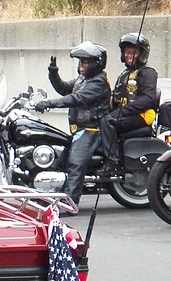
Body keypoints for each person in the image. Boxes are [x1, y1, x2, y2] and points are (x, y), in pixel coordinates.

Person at [28, 42, 110, 211]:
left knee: (75, 164)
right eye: (80, 62)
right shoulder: (84, 79)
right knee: (59, 163)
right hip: (79, 130)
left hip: (91, 131)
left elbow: (75, 98)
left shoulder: (98, 83)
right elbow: (65, 89)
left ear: (97, 63)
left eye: (85, 62)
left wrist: (48, 103)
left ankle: (70, 205)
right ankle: (48, 196)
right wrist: (53, 73)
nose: (81, 65)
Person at [98, 32, 160, 171]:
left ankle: (111, 162)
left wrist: (122, 111)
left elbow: (149, 99)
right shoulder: (125, 74)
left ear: (142, 53)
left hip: (142, 115)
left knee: (107, 122)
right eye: (126, 52)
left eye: (133, 52)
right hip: (126, 113)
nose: (129, 55)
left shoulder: (148, 72)